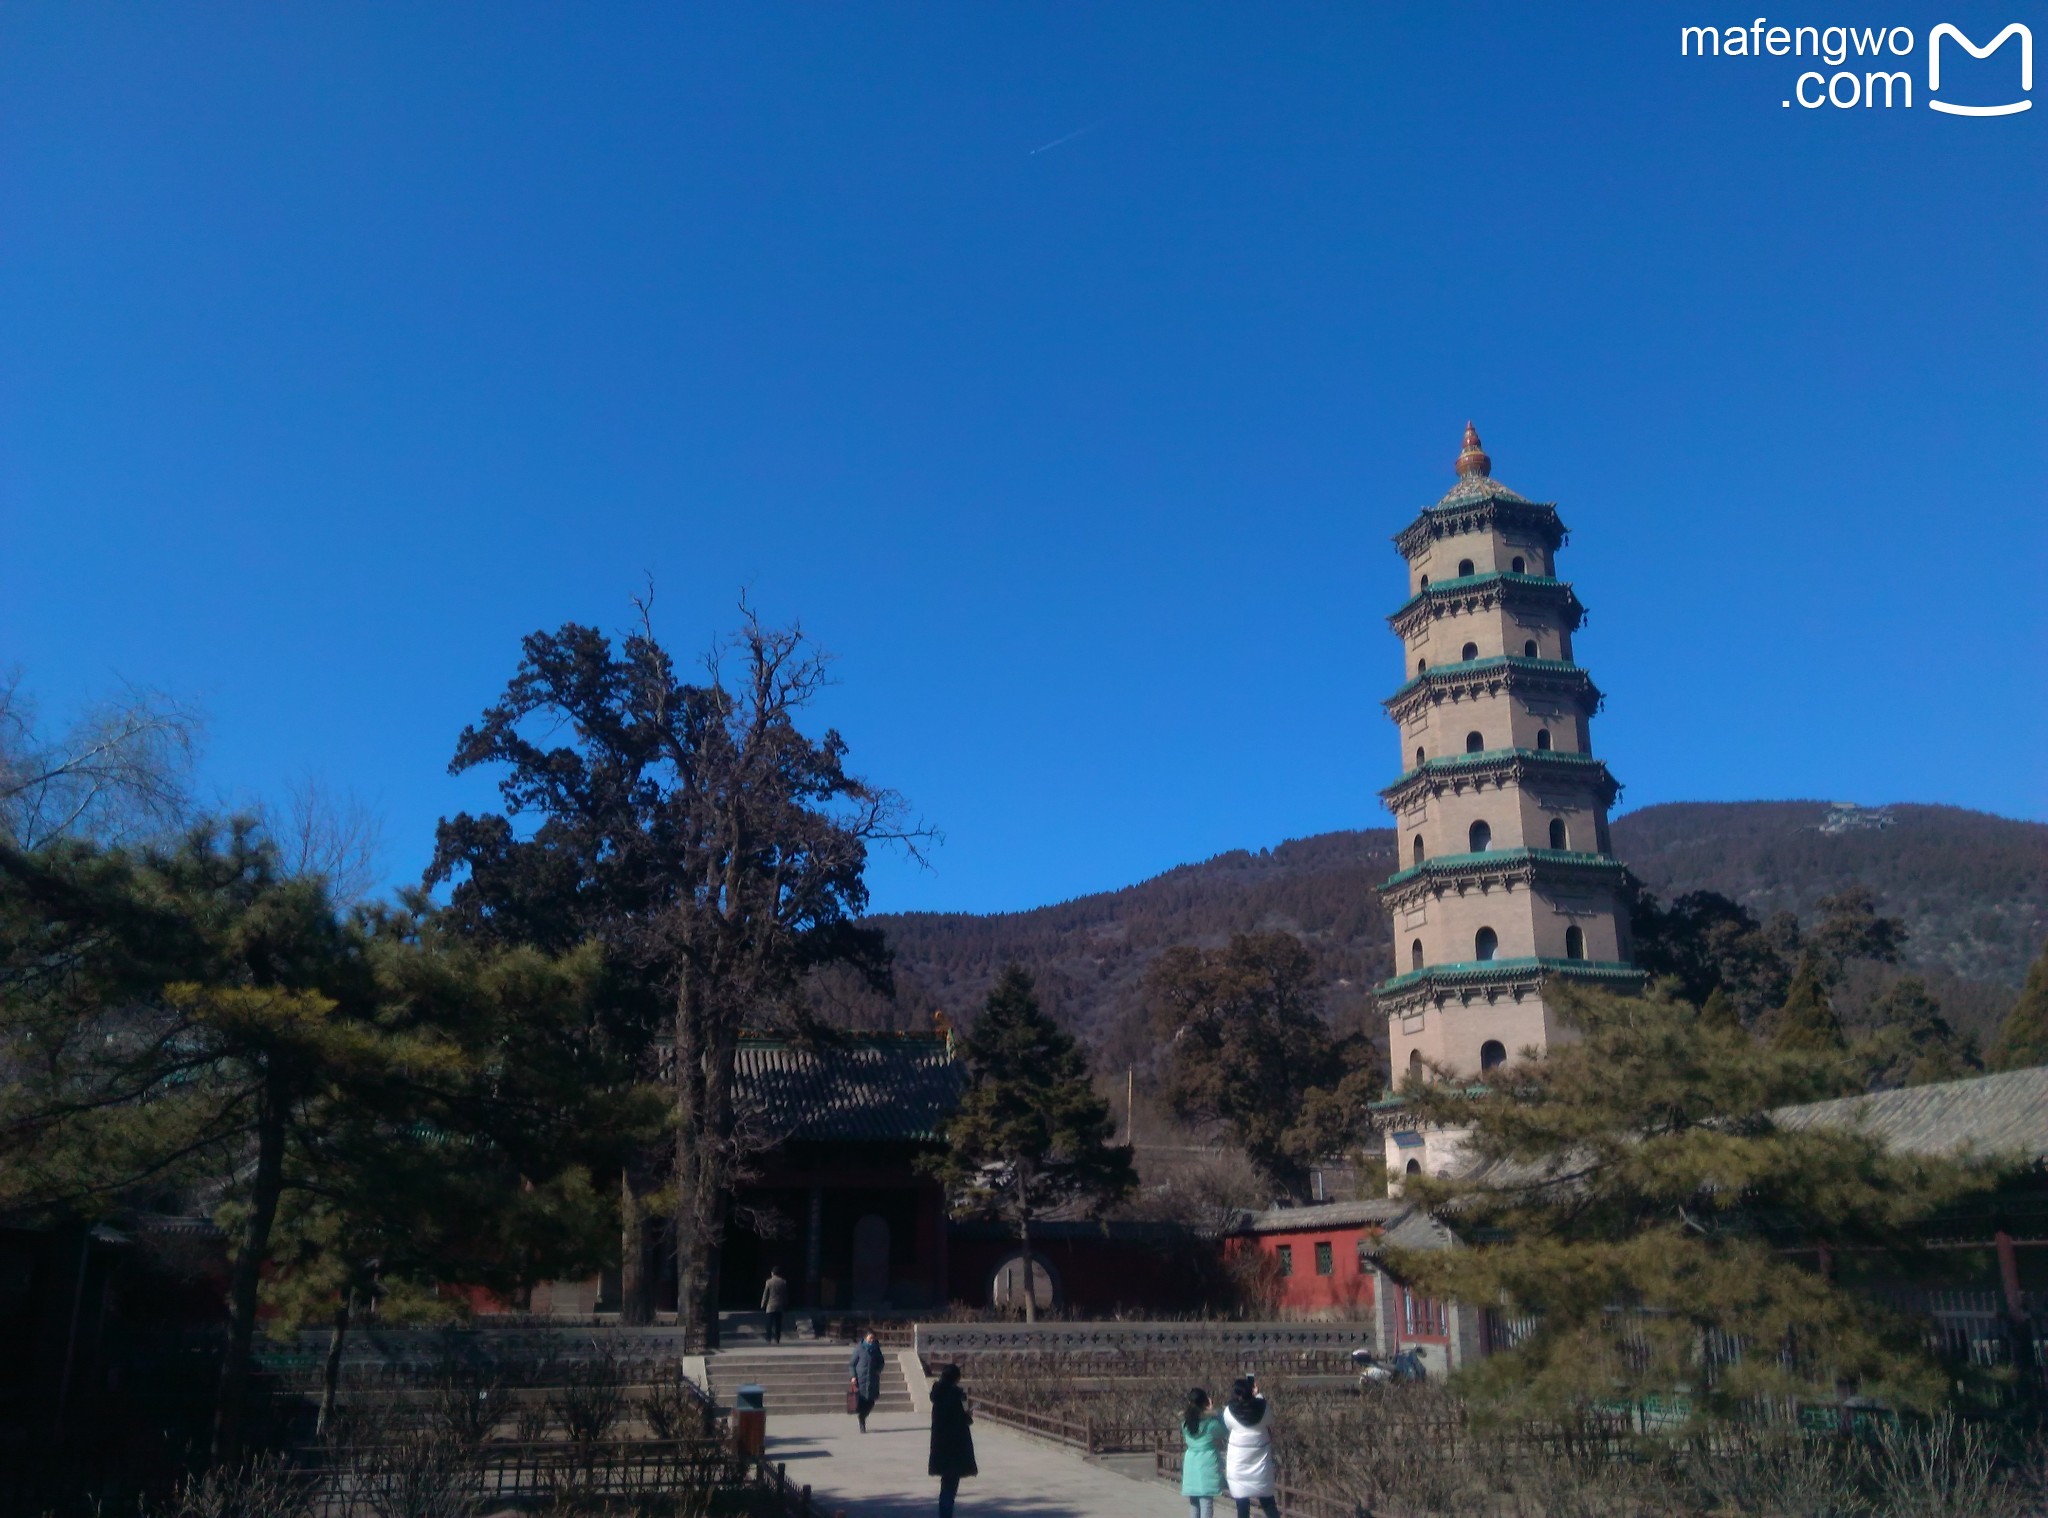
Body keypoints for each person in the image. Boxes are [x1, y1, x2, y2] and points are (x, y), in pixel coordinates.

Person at [1222, 1374, 1277, 1518]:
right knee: (1268, 1503)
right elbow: (1269, 1419)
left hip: (1238, 1464)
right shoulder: (1263, 1407)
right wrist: (1258, 1396)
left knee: (1242, 1506)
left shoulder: (1229, 1411)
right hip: (1261, 1463)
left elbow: (1228, 1425)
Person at [928, 1362, 977, 1518]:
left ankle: (945, 1513)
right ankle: (946, 1514)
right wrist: (968, 1416)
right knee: (950, 1486)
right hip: (955, 1446)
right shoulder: (954, 1397)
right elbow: (959, 1420)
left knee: (946, 1484)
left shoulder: (938, 1396)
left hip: (941, 1445)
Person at [1180, 1387, 1226, 1518]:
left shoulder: (1185, 1422)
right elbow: (1224, 1431)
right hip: (1207, 1461)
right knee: (1206, 1503)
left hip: (1191, 1461)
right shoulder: (1211, 1424)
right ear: (1205, 1402)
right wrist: (1214, 1413)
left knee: (1194, 1503)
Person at [849, 1330, 885, 1433]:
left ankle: (862, 1416)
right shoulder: (859, 1349)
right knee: (862, 1401)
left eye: (873, 1338)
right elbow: (852, 1364)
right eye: (870, 1338)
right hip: (861, 1379)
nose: (872, 1340)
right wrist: (853, 1376)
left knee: (871, 1401)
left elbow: (881, 1361)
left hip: (873, 1379)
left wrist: (878, 1370)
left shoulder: (876, 1349)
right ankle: (862, 1422)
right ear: (865, 1338)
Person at [760, 1266, 788, 1344]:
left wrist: (763, 1304)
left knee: (769, 1323)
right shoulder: (783, 1282)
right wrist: (786, 1304)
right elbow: (785, 1295)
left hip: (770, 1305)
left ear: (772, 1273)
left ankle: (768, 1338)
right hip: (779, 1305)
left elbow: (765, 1294)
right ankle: (777, 1338)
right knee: (778, 1324)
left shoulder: (769, 1282)